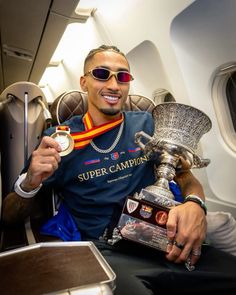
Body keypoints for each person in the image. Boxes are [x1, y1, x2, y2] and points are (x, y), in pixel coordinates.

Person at [2, 45, 235, 295]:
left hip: (168, 241)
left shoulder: (150, 123)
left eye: (122, 77)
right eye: (102, 74)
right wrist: (30, 183)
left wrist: (195, 204)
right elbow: (9, 215)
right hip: (110, 252)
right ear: (84, 82)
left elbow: (185, 176)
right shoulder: (58, 140)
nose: (114, 85)